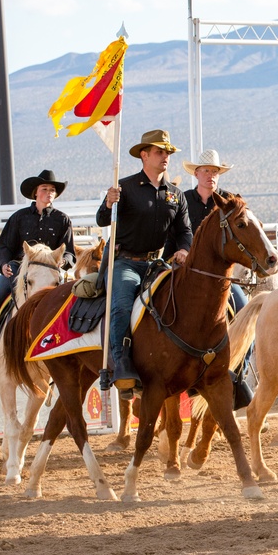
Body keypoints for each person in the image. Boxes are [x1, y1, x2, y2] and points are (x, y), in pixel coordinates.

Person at [97, 129, 191, 394]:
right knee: (122, 305)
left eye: (168, 153)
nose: (165, 157)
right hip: (125, 263)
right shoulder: (124, 187)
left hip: (157, 264)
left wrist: (184, 249)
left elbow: (184, 231)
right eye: (160, 152)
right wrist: (108, 203)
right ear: (144, 155)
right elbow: (102, 221)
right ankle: (123, 363)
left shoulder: (176, 194)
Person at [0, 170, 76, 370]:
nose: (49, 193)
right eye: (45, 189)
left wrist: (63, 263)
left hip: (50, 271)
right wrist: (4, 265)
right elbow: (4, 246)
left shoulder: (63, 220)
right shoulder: (19, 218)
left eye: (52, 190)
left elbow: (69, 252)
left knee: (72, 305)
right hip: (18, 269)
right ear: (36, 193)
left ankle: (72, 351)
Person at [179, 148, 255, 406]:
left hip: (220, 278)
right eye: (206, 171)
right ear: (196, 173)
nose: (211, 175)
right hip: (185, 272)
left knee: (245, 312)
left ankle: (237, 381)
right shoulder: (183, 199)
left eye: (215, 171)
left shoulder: (229, 202)